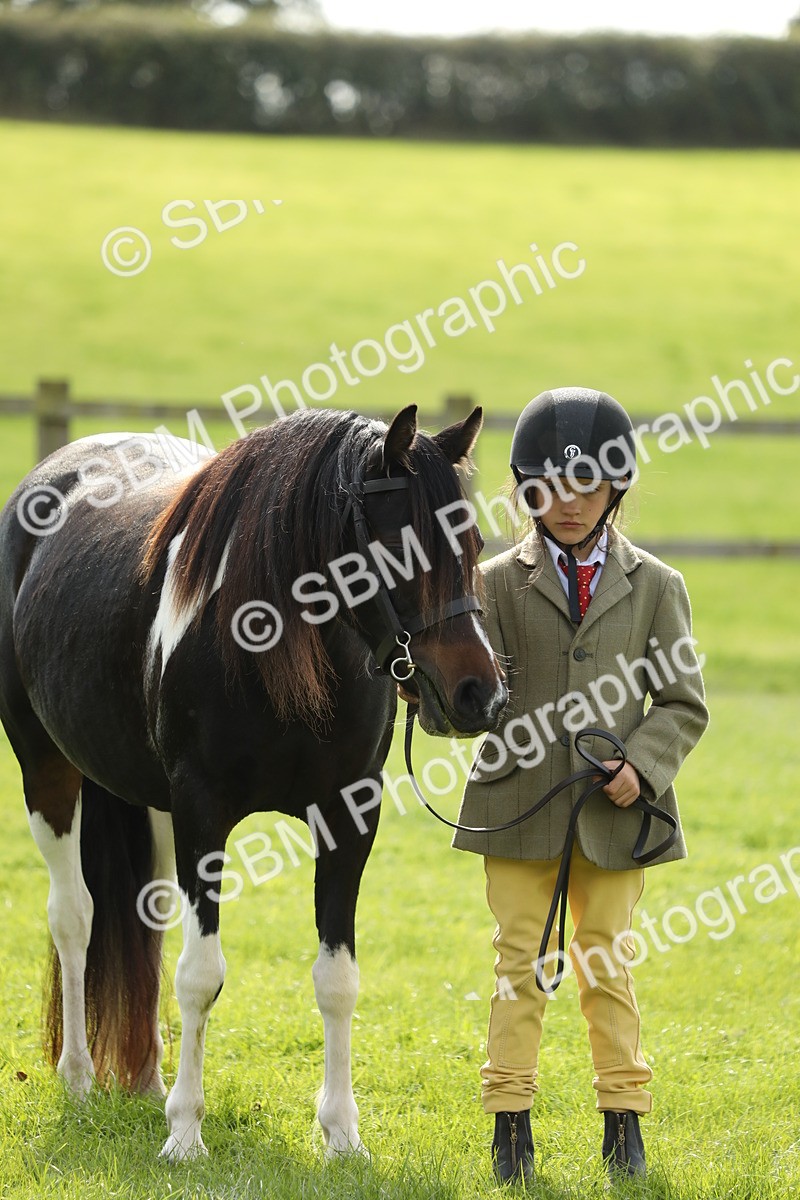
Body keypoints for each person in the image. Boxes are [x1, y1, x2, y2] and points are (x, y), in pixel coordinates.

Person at [453, 387, 709, 1185]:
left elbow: (681, 702)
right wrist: (429, 694)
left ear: (617, 489)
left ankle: (624, 1125)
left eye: (589, 487)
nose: (569, 504)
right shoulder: (489, 584)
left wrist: (644, 764)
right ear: (527, 491)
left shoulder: (657, 586)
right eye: (551, 488)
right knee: (519, 961)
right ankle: (509, 1127)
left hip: (614, 812)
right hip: (516, 808)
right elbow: (465, 706)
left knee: (605, 963)